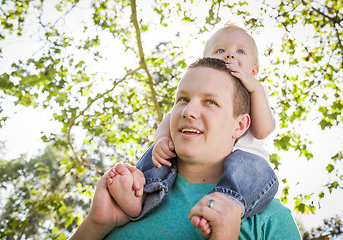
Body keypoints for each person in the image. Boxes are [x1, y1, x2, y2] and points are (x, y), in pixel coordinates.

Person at [69, 58, 301, 239]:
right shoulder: (128, 197)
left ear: (240, 125)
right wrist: (95, 225)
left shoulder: (270, 220)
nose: (188, 111)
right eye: (182, 99)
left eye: (210, 102)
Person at [107, 23, 278, 226]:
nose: (230, 55)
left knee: (257, 171)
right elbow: (170, 119)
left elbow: (262, 131)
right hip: (192, 155)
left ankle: (226, 202)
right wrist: (162, 139)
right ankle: (143, 193)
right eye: (220, 50)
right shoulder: (194, 95)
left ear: (255, 70)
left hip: (245, 164)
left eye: (240, 51)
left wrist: (256, 90)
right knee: (159, 154)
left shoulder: (256, 91)